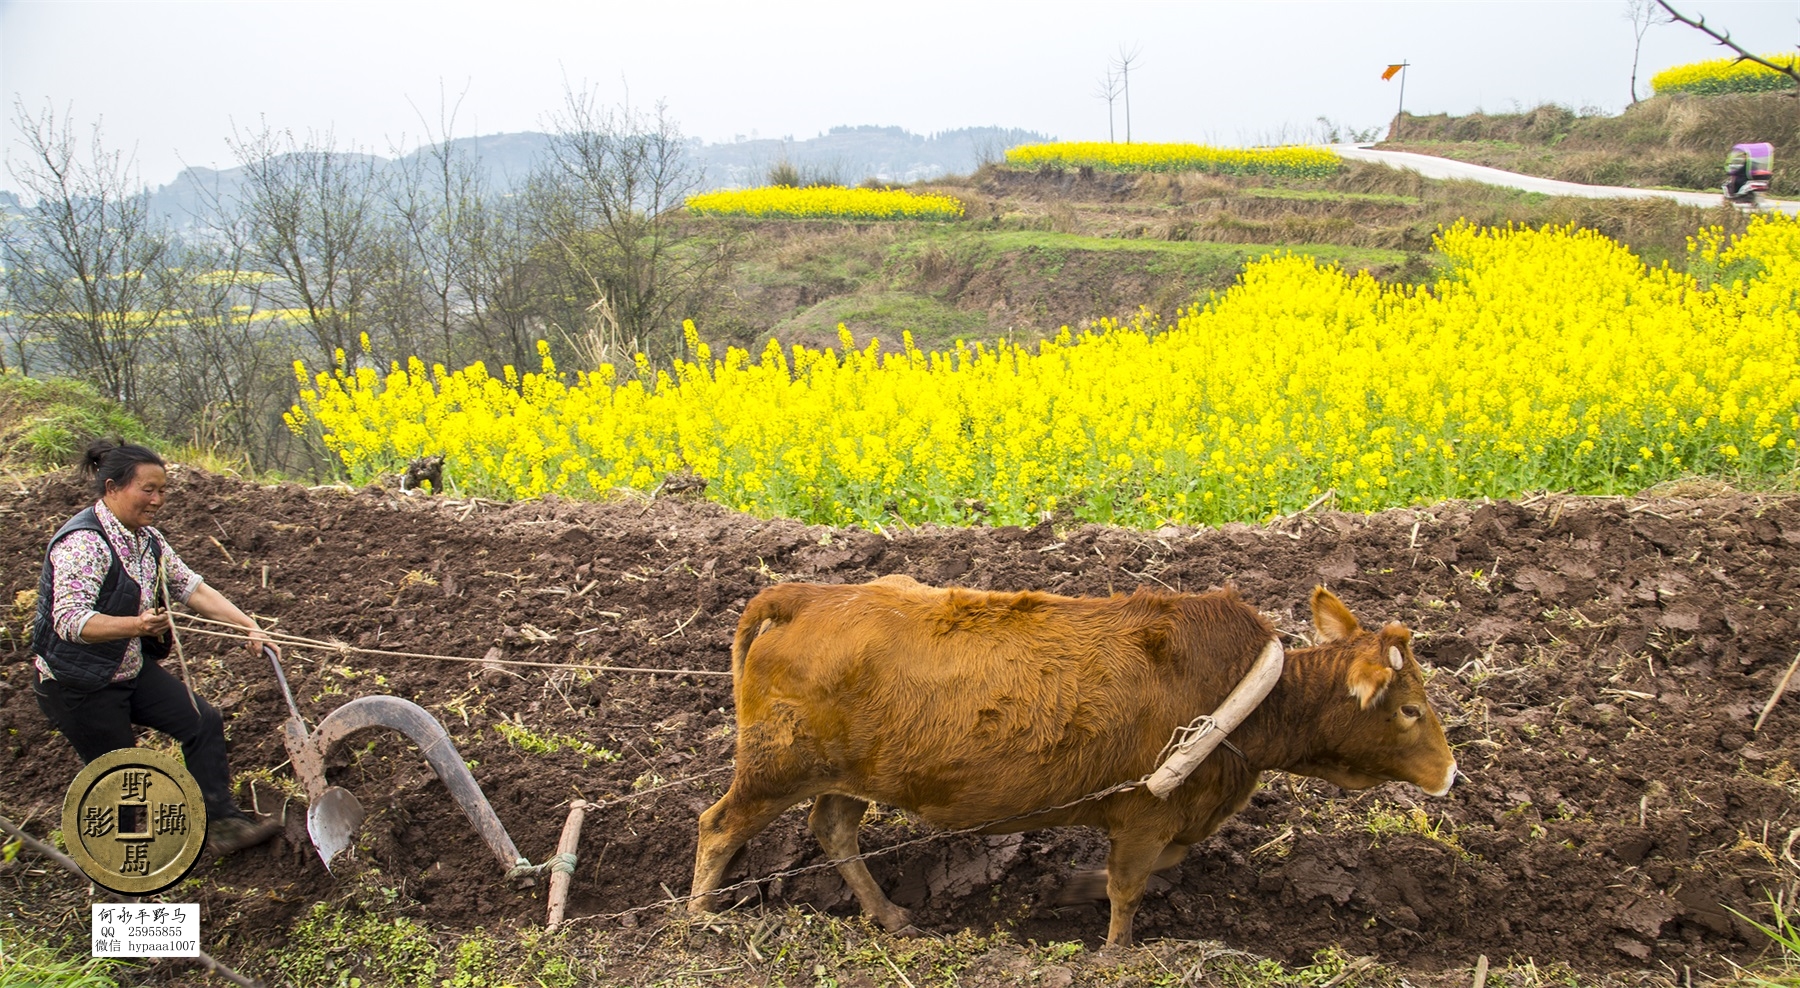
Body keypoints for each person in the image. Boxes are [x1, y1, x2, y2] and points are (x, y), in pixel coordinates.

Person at [30, 440, 282, 855]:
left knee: (202, 721)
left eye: (162, 490)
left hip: (125, 667)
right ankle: (124, 879)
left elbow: (191, 587)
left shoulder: (147, 541)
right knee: (123, 781)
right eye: (147, 490)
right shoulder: (83, 544)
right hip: (79, 684)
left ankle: (221, 825)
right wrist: (137, 624)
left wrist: (249, 626)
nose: (157, 500)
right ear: (112, 488)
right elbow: (71, 621)